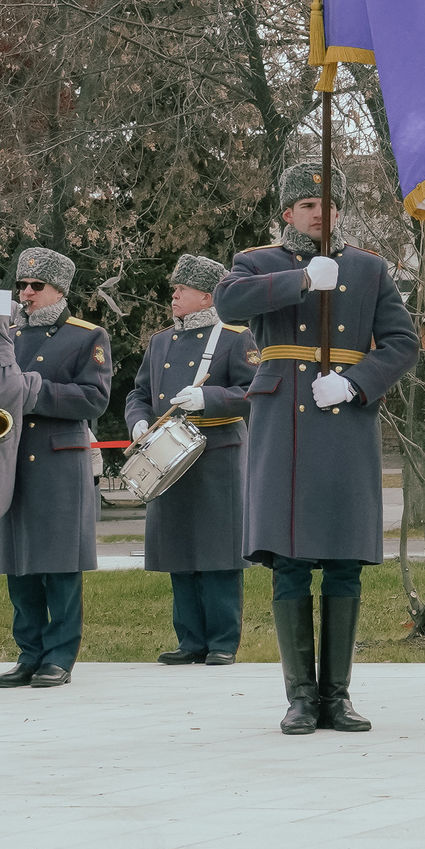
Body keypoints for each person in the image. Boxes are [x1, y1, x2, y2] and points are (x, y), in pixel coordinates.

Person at [219, 163, 421, 734]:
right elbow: (229, 303)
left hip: (343, 418)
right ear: (288, 212)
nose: (319, 213)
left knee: (342, 559)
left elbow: (403, 342)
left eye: (328, 204)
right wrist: (303, 281)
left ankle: (337, 695)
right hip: (283, 418)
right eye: (308, 204)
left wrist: (357, 383)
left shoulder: (369, 268)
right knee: (289, 560)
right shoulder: (258, 262)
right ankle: (300, 698)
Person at [0, 245, 112, 691]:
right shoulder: (7, 334)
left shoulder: (86, 336)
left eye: (36, 285)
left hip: (58, 461)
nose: (26, 293)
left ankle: (59, 655)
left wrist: (33, 390)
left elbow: (94, 398)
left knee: (59, 565)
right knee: (18, 564)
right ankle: (29, 652)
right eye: (22, 285)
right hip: (11, 457)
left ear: (59, 290)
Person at [126, 253, 257, 666]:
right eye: (174, 289)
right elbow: (139, 392)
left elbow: (254, 392)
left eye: (182, 289)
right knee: (178, 548)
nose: (174, 295)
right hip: (167, 454)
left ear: (207, 296)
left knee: (218, 551)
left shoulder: (235, 338)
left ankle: (222, 641)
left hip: (217, 454)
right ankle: (190, 640)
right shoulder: (161, 341)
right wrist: (138, 420)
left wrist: (209, 397)